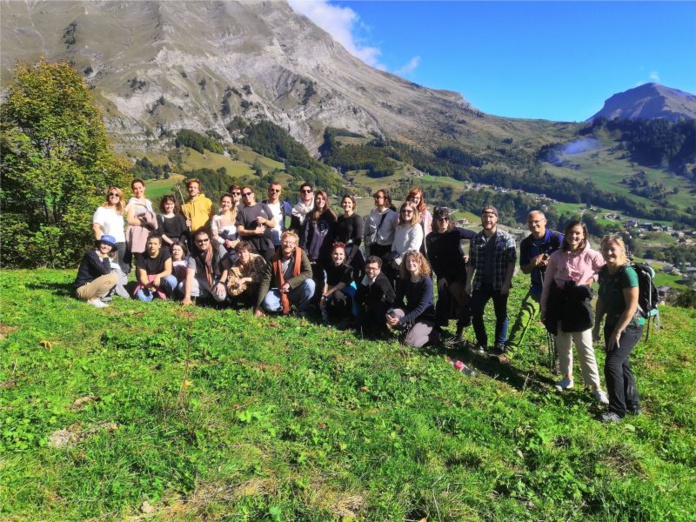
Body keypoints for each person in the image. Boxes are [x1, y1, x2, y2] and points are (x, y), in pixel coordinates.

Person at [540, 220, 609, 404]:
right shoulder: (557, 256)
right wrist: (544, 307)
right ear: (566, 234)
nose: (574, 237)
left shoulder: (592, 255)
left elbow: (606, 271)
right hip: (559, 301)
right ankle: (567, 377)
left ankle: (595, 386)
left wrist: (591, 278)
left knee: (585, 346)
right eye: (571, 233)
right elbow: (547, 283)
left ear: (584, 235)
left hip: (579, 303)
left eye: (578, 233)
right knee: (563, 343)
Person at [497, 211, 563, 361]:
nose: (533, 225)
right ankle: (508, 353)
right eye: (530, 223)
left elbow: (570, 256)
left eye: (536, 221)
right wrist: (534, 263)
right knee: (523, 318)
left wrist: (551, 260)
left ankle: (560, 362)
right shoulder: (527, 243)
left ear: (545, 221)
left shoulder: (557, 239)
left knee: (557, 326)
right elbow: (525, 269)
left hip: (557, 290)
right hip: (537, 288)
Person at [593, 236, 644, 422]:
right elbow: (602, 301)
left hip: (630, 326)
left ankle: (617, 411)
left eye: (613, 249)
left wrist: (618, 331)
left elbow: (631, 307)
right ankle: (633, 404)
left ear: (622, 251)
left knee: (612, 363)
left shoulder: (627, 273)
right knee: (622, 363)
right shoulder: (605, 272)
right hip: (611, 323)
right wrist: (597, 325)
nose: (609, 253)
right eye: (605, 249)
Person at [465, 206, 517, 353]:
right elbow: (472, 263)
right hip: (481, 282)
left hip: (499, 283)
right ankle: (482, 342)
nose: (487, 219)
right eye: (485, 216)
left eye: (491, 216)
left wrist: (507, 283)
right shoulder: (475, 239)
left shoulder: (506, 238)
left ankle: (499, 344)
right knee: (475, 311)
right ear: (481, 218)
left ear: (496, 219)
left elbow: (511, 263)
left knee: (501, 314)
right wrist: (468, 282)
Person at [426, 206, 476, 342]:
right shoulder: (430, 238)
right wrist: (440, 276)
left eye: (446, 219)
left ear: (449, 220)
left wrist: (470, 256)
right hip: (444, 274)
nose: (443, 221)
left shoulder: (456, 232)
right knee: (443, 299)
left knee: (462, 300)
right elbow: (432, 259)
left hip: (459, 271)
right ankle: (438, 329)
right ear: (435, 221)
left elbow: (475, 236)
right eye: (440, 219)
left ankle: (459, 333)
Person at [386, 250, 439, 348]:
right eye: (408, 261)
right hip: (410, 312)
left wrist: (401, 320)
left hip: (425, 318)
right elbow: (398, 301)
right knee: (393, 313)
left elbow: (421, 308)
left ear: (420, 262)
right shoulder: (404, 279)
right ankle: (410, 329)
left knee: (410, 343)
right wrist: (389, 313)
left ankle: (433, 336)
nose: (410, 263)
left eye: (414, 260)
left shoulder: (426, 281)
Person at [255, 231, 315, 316]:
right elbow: (266, 282)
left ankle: (302, 310)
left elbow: (308, 273)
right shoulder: (273, 259)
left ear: (295, 245)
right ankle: (285, 306)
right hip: (278, 290)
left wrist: (289, 283)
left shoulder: (301, 254)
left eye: (291, 242)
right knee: (268, 305)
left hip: (295, 288)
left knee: (310, 283)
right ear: (281, 242)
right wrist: (259, 306)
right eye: (285, 241)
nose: (287, 244)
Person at [300, 190, 337, 302]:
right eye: (318, 198)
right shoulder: (310, 216)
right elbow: (305, 237)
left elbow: (335, 236)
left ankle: (323, 304)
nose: (320, 201)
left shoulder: (331, 216)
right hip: (313, 255)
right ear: (315, 200)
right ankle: (312, 303)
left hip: (327, 255)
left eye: (323, 199)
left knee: (325, 282)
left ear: (326, 200)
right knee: (313, 281)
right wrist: (305, 254)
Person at [180, 230, 228, 306]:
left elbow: (227, 268)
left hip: (218, 279)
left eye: (206, 240)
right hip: (202, 279)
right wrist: (187, 297)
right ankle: (207, 296)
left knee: (221, 297)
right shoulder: (193, 255)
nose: (203, 243)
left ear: (209, 239)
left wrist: (221, 282)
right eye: (199, 241)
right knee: (182, 286)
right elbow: (190, 275)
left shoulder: (218, 247)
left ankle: (214, 295)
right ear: (195, 242)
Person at [355, 256, 396, 338]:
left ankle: (384, 328)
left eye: (374, 268)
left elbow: (378, 297)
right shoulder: (366, 277)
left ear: (379, 269)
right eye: (368, 268)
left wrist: (366, 302)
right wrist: (364, 285)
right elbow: (358, 297)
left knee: (371, 327)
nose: (370, 271)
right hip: (372, 306)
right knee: (359, 325)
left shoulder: (381, 281)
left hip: (387, 309)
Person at [74, 235, 119, 308]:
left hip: (91, 288)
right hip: (82, 289)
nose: (106, 246)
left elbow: (106, 272)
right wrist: (105, 258)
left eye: (109, 245)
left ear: (111, 248)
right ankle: (93, 299)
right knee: (113, 276)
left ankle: (96, 298)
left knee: (114, 277)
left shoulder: (103, 256)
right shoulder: (91, 254)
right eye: (104, 243)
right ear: (99, 244)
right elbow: (105, 272)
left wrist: (105, 257)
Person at [235, 186, 276, 262]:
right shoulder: (242, 212)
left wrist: (265, 221)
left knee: (271, 268)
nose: (247, 196)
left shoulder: (263, 206)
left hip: (267, 243)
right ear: (242, 197)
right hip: (252, 245)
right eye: (244, 195)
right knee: (256, 269)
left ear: (253, 194)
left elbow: (273, 224)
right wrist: (254, 232)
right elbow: (240, 231)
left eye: (248, 193)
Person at [92, 186, 128, 274]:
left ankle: (123, 286)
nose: (114, 196)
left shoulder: (119, 212)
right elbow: (95, 227)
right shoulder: (102, 210)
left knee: (123, 268)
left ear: (120, 197)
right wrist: (100, 244)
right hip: (109, 244)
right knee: (108, 268)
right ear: (108, 196)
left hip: (121, 243)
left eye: (117, 195)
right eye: (111, 194)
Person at [133, 235, 177, 301]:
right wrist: (148, 286)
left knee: (171, 279)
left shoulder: (165, 252)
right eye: (150, 243)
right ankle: (155, 294)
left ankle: (168, 293)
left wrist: (158, 276)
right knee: (141, 297)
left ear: (159, 245)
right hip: (148, 282)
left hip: (162, 279)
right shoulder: (141, 257)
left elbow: (168, 271)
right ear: (147, 244)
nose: (152, 246)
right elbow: (143, 276)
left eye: (155, 244)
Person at [320, 243, 354, 325]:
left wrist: (327, 293)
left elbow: (342, 284)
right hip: (332, 290)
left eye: (341, 254)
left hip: (346, 293)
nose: (338, 257)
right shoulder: (329, 267)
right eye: (335, 254)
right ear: (331, 255)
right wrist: (323, 296)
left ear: (344, 256)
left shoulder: (348, 269)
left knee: (336, 295)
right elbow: (326, 282)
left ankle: (346, 318)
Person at [387, 201, 424, 278]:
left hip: (408, 265)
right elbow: (395, 244)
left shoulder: (416, 228)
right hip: (396, 265)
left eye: (409, 211)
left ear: (414, 212)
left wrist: (399, 261)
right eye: (403, 211)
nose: (406, 213)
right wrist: (393, 259)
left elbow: (413, 248)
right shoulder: (400, 227)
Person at [226, 241, 268, 308]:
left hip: (259, 287)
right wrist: (237, 285)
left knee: (257, 284)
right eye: (240, 253)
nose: (242, 255)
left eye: (245, 251)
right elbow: (230, 287)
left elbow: (263, 276)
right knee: (232, 294)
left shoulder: (257, 259)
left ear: (249, 251)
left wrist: (244, 279)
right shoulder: (234, 267)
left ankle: (259, 304)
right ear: (236, 254)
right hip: (246, 290)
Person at [125, 179, 157, 264]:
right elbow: (130, 220)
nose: (138, 190)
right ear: (133, 190)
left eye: (140, 187)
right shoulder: (133, 203)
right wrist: (145, 222)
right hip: (139, 235)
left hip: (149, 233)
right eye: (135, 188)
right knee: (141, 260)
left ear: (144, 187)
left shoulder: (148, 203)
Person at [334, 194, 365, 280]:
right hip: (342, 253)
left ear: (353, 204)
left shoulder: (357, 219)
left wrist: (350, 258)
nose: (346, 204)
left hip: (354, 252)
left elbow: (358, 239)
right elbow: (337, 236)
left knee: (353, 278)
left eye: (349, 202)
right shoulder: (340, 219)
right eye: (344, 202)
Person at [363, 189, 398, 259]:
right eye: (375, 197)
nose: (376, 199)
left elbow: (397, 234)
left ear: (386, 200)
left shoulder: (393, 215)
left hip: (387, 250)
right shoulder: (372, 214)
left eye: (378, 197)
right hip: (374, 248)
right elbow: (366, 233)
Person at [262, 182, 293, 250]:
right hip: (265, 242)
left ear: (280, 192)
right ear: (268, 190)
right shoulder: (262, 205)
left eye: (277, 190)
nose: (274, 192)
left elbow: (288, 223)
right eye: (272, 190)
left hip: (281, 242)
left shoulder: (286, 206)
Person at [211, 193, 239, 258]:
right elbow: (214, 235)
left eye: (228, 202)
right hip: (223, 246)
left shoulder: (236, 216)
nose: (226, 204)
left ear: (232, 204)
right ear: (220, 202)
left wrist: (235, 242)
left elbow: (240, 232)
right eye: (224, 202)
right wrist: (225, 242)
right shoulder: (216, 217)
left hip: (237, 246)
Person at [406, 188, 432, 253]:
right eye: (413, 197)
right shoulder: (404, 211)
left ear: (420, 199)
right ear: (409, 198)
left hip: (422, 244)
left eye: (417, 198)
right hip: (407, 241)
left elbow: (431, 228)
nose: (415, 199)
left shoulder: (425, 214)